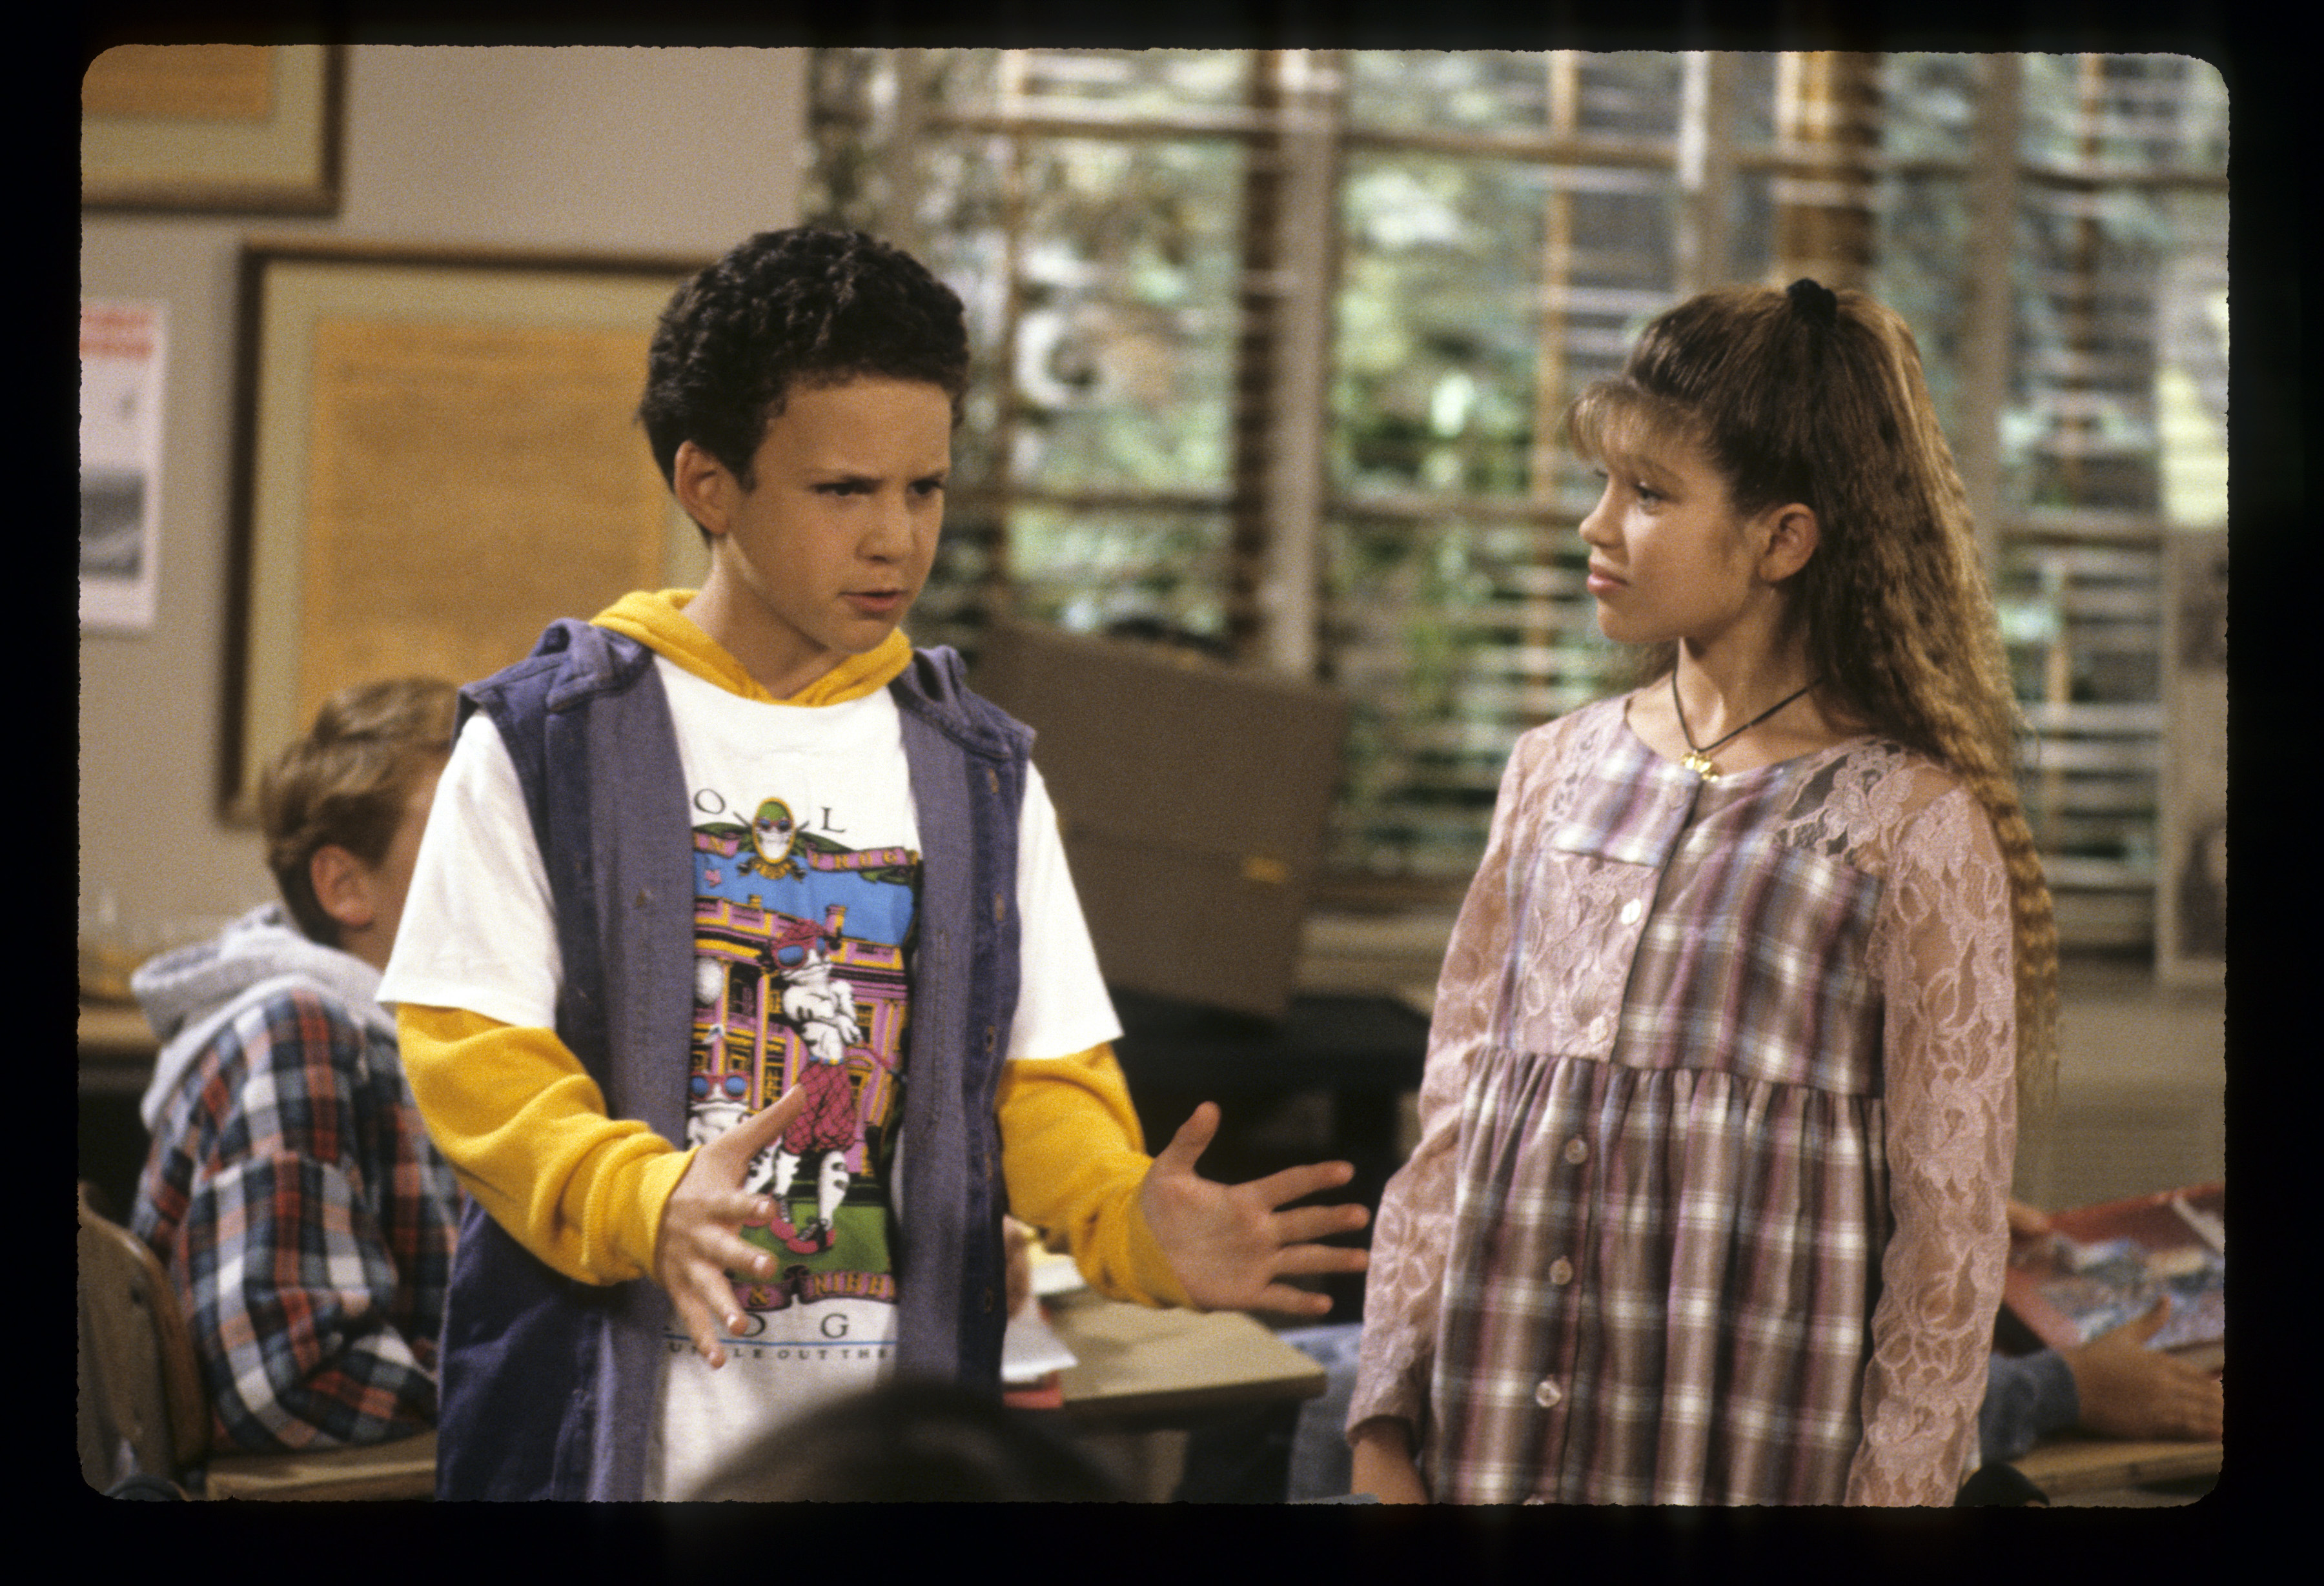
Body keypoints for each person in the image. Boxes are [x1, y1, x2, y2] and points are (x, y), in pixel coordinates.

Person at [378, 227, 1371, 1501]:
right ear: (709, 483)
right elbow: (471, 1054)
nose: (897, 539)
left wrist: (1128, 1221)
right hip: (599, 1434)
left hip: (895, 1446)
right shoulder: (546, 738)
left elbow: (1042, 1082)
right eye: (845, 491)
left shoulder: (976, 767)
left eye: (926, 489)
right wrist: (637, 1196)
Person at [1348, 280, 2056, 1506]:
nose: (1596, 525)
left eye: (1651, 494)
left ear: (1784, 538)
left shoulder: (1910, 829)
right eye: (1607, 483)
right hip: (1489, 1457)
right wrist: (1380, 1432)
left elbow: (1947, 1249)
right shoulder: (1552, 771)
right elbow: (1454, 1125)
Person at [130, 678, 462, 1451]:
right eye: (468, 833)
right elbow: (289, 1383)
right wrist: (529, 1407)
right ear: (345, 886)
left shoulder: (443, 1042)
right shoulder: (300, 1030)